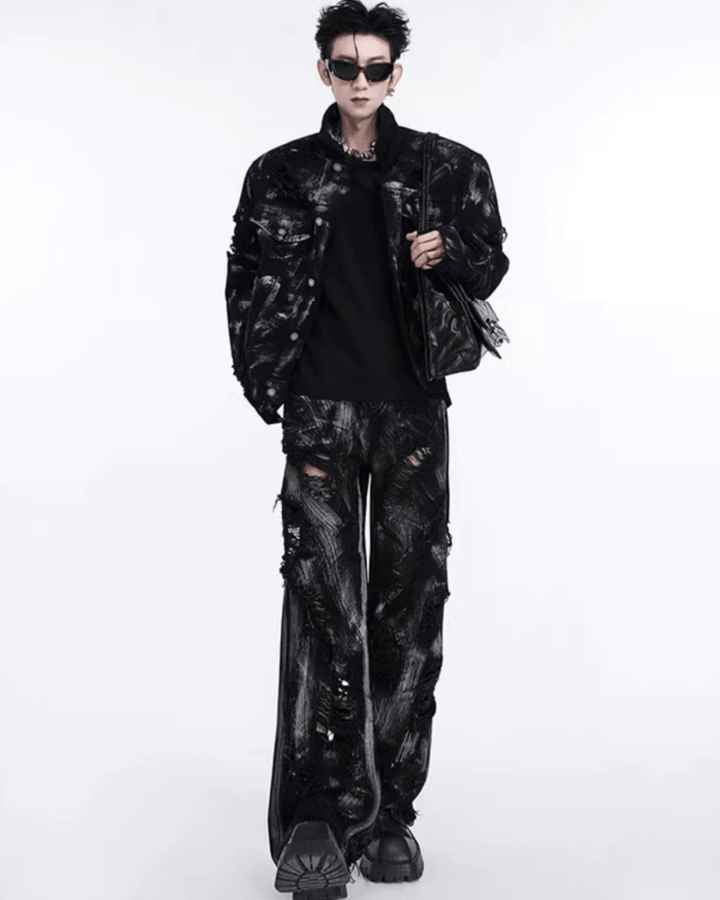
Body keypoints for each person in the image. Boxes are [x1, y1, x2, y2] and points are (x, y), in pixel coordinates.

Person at [224, 2, 510, 896]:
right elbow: (243, 279)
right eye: (345, 66)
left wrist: (446, 250)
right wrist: (264, 384)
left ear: (395, 75)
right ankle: (321, 813)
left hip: (412, 411)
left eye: (374, 68)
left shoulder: (446, 167)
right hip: (318, 411)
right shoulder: (280, 173)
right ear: (324, 70)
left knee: (408, 608)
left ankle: (390, 815)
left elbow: (492, 263)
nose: (359, 81)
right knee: (323, 607)